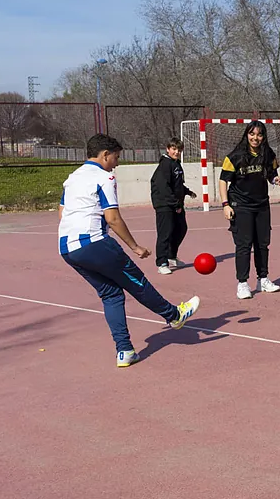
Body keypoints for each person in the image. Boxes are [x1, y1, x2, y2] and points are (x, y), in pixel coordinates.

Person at [58, 134, 199, 368]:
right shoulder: (105, 177)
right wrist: (134, 247)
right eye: (116, 157)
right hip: (94, 243)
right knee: (137, 282)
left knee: (111, 294)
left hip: (67, 248)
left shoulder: (72, 178)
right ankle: (174, 315)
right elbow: (112, 218)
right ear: (105, 155)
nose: (117, 163)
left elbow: (62, 214)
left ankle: (124, 351)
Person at [219, 120, 280, 300]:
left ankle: (263, 279)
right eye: (252, 134)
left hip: (262, 204)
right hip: (241, 205)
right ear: (246, 134)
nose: (255, 138)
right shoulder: (235, 156)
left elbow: (271, 174)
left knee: (263, 244)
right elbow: (223, 180)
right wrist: (226, 205)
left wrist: (276, 180)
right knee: (244, 245)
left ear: (263, 136)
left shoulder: (268, 154)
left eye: (259, 134)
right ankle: (242, 283)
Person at [149, 137, 196, 275]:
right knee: (165, 233)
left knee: (181, 228)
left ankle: (171, 256)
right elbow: (163, 187)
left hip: (175, 203)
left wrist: (187, 192)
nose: (176, 152)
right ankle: (162, 263)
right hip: (164, 204)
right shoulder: (165, 165)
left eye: (179, 150)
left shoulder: (176, 164)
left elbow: (177, 184)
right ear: (168, 149)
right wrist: (175, 204)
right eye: (174, 149)